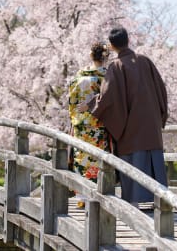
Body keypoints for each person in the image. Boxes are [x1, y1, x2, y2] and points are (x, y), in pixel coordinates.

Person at [83, 26, 168, 207]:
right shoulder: (146, 61)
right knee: (154, 162)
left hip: (131, 126)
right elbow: (161, 89)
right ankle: (160, 201)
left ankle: (134, 202)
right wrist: (160, 115)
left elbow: (108, 97)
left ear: (112, 46)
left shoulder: (116, 66)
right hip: (151, 124)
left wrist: (92, 104)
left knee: (132, 161)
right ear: (128, 40)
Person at [68, 42, 112, 208]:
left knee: (82, 159)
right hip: (99, 126)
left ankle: (82, 197)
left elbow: (72, 104)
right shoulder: (106, 78)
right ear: (106, 57)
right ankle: (97, 196)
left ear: (91, 56)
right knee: (99, 160)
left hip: (81, 126)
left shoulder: (78, 79)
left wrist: (77, 119)